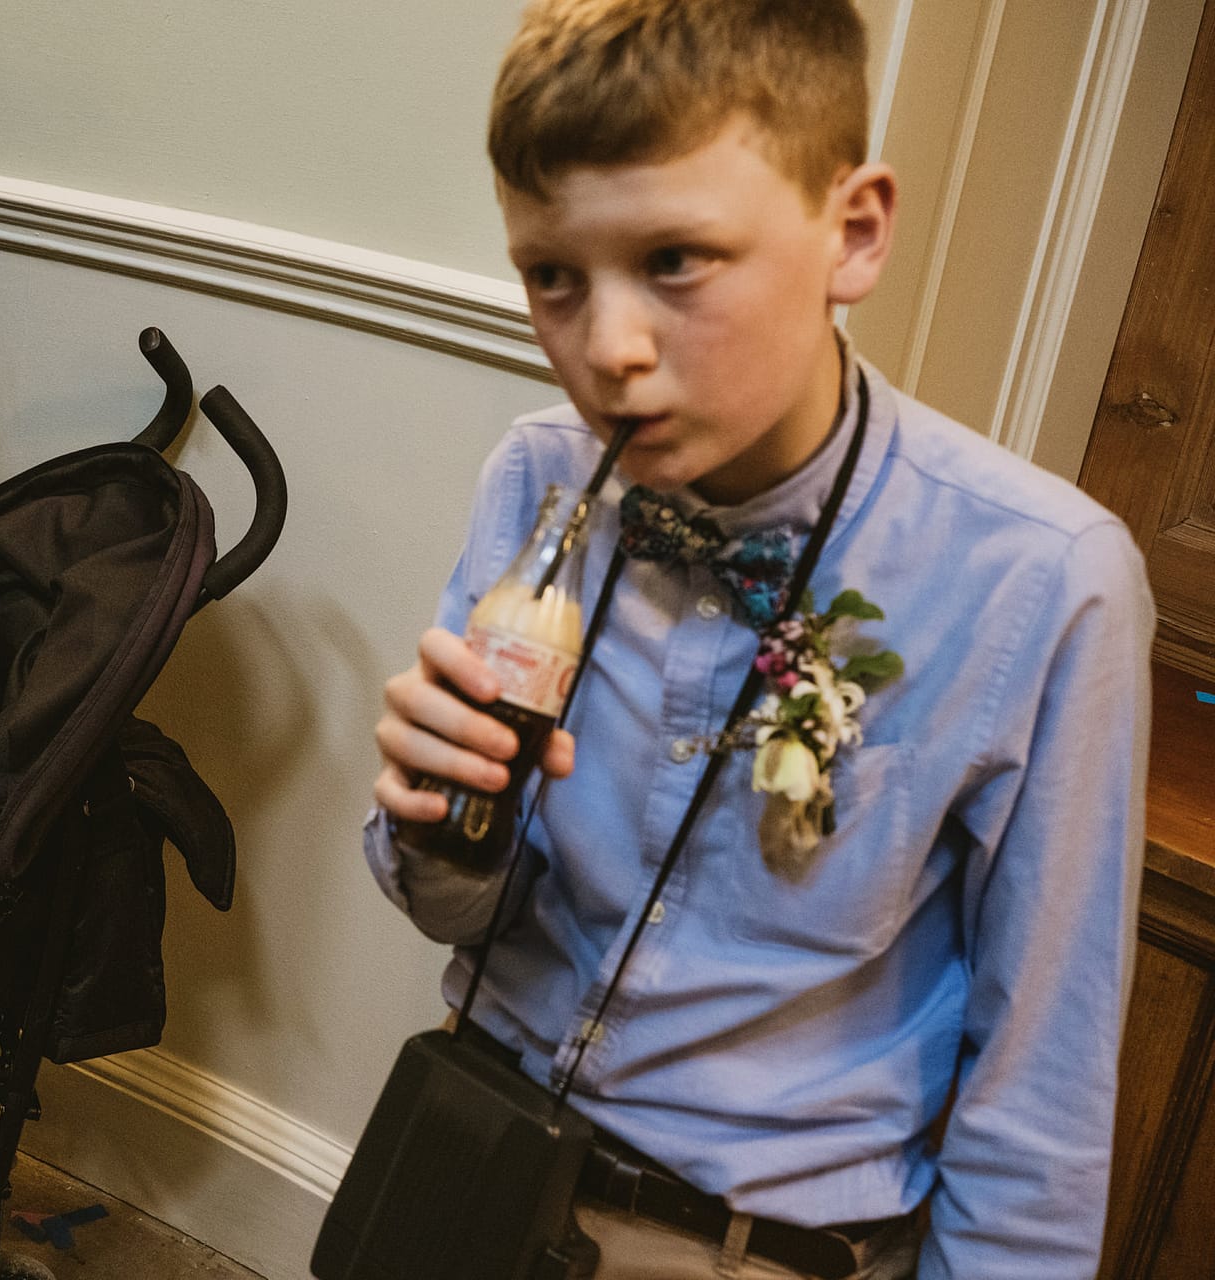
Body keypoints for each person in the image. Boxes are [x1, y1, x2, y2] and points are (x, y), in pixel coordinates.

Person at [367, 2, 1154, 1277]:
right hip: (466, 1162)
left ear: (854, 231)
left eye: (677, 259)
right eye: (552, 276)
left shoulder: (1049, 583)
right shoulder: (536, 479)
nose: (608, 352)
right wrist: (433, 818)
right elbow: (458, 908)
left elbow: (1040, 1099)